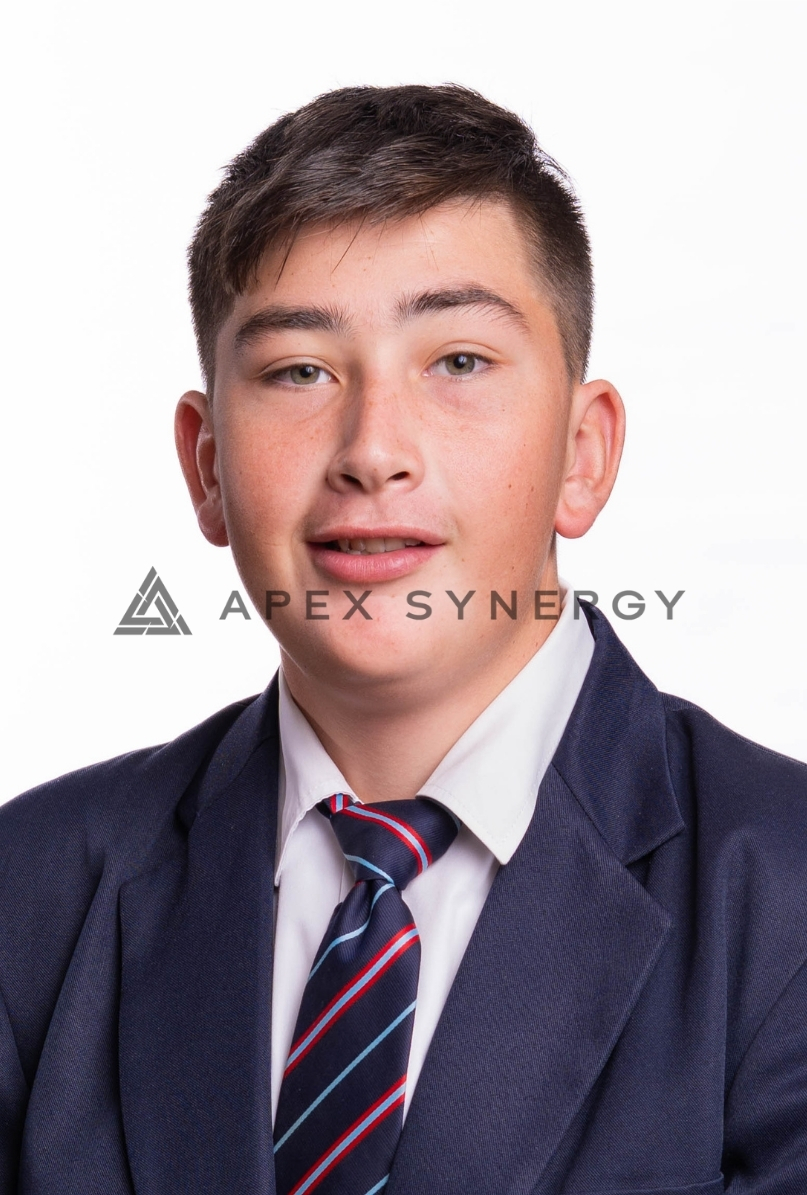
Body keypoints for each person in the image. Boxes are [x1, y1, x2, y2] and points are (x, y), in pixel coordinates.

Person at [1, 84, 806, 1195]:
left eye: (459, 362)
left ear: (582, 454)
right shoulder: (31, 891)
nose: (373, 449)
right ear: (207, 467)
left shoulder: (783, 895)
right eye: (299, 370)